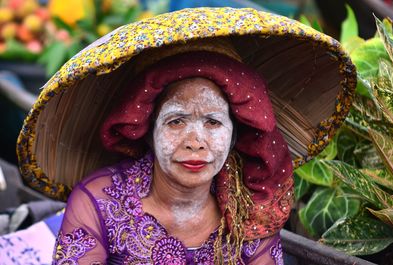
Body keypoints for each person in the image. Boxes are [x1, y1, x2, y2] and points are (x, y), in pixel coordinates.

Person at [16, 7, 357, 265]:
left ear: (236, 133)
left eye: (213, 122)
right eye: (176, 121)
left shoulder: (251, 208)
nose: (196, 141)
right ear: (147, 132)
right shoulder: (99, 202)